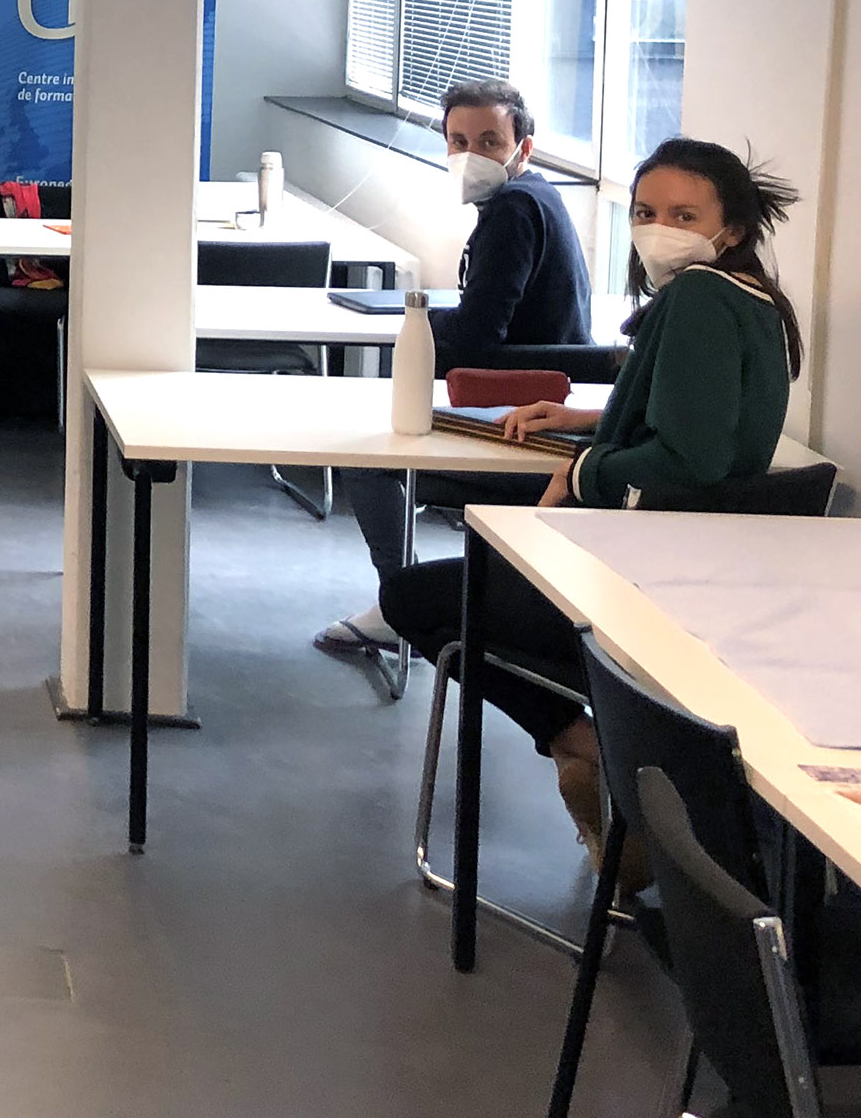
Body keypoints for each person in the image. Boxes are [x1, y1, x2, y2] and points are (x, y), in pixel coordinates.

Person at [380, 138, 802, 873]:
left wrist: (584, 467)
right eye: (645, 212)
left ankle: (588, 744)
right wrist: (591, 421)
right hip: (701, 570)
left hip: (642, 583)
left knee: (413, 598)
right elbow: (707, 421)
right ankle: (605, 752)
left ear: (731, 229)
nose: (657, 229)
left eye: (684, 215)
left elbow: (689, 461)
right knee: (462, 589)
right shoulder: (754, 299)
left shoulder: (698, 298)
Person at [317, 81, 595, 658]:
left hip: (524, 416)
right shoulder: (536, 196)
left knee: (364, 458)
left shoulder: (513, 211)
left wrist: (421, 329)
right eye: (459, 141)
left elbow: (475, 340)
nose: (471, 155)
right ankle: (410, 601)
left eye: (490, 141)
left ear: (523, 147)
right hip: (542, 398)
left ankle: (401, 604)